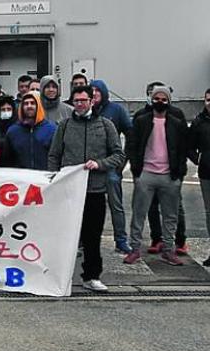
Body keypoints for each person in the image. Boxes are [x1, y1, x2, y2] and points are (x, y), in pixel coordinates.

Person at [49, 85, 126, 293]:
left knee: (92, 236)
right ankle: (59, 276)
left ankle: (91, 275)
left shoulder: (106, 125)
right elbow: (54, 155)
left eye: (84, 100)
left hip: (94, 190)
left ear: (92, 101)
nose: (80, 104)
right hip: (69, 191)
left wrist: (100, 164)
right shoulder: (64, 126)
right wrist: (55, 179)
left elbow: (118, 155)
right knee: (65, 236)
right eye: (76, 101)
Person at [123, 85, 191, 266]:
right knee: (138, 214)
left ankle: (168, 250)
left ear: (169, 101)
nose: (159, 101)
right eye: (156, 98)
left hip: (170, 176)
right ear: (151, 99)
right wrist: (136, 171)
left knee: (171, 216)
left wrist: (179, 173)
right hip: (146, 174)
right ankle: (134, 249)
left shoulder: (176, 123)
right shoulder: (141, 120)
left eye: (163, 99)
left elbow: (183, 148)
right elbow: (132, 145)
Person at [91, 79, 134, 254]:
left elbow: (130, 134)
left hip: (111, 167)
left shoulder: (116, 110)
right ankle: (86, 240)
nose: (94, 94)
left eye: (97, 90)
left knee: (116, 205)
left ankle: (121, 240)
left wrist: (122, 162)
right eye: (91, 90)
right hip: (91, 167)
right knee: (90, 206)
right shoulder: (87, 110)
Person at [4, 91, 55, 170]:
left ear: (39, 106)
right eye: (26, 103)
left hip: (44, 178)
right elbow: (7, 160)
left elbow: (57, 157)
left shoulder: (52, 129)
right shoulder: (13, 131)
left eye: (32, 103)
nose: (29, 106)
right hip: (21, 179)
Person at [189, 89, 210, 267]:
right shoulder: (199, 122)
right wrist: (199, 160)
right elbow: (190, 146)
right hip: (207, 174)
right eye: (208, 100)